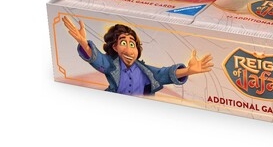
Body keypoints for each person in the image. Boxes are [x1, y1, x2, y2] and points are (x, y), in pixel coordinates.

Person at [62, 17, 214, 96]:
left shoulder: (144, 71)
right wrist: (84, 44)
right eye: (123, 43)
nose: (129, 50)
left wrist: (188, 71)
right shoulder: (112, 65)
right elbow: (98, 60)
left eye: (132, 44)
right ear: (115, 47)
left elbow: (164, 74)